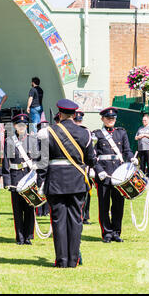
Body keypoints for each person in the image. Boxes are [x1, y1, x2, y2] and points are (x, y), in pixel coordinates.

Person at [36, 99, 96, 268]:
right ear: (75, 115)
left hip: (55, 182)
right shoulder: (85, 133)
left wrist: (40, 181)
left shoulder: (49, 132)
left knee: (58, 221)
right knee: (76, 220)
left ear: (60, 114)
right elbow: (91, 159)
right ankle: (74, 260)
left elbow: (42, 162)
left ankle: (61, 260)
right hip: (77, 181)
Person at [92, 107, 138, 243]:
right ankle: (106, 233)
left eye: (112, 119)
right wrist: (98, 170)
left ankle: (116, 232)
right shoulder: (97, 134)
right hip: (104, 174)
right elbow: (93, 156)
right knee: (104, 205)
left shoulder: (121, 133)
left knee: (118, 205)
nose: (110, 120)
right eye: (108, 118)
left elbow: (127, 150)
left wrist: (132, 159)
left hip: (118, 174)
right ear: (102, 119)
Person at [2, 114, 38, 245]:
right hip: (15, 177)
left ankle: (29, 236)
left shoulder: (32, 140)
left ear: (26, 126)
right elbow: (5, 162)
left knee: (29, 207)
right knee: (17, 210)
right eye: (18, 125)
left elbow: (37, 160)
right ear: (15, 126)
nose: (21, 127)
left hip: (29, 177)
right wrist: (7, 181)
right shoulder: (9, 141)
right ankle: (20, 237)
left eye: (23, 125)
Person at [74, 111, 94, 225]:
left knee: (87, 192)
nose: (78, 123)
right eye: (76, 120)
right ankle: (78, 215)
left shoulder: (86, 132)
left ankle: (85, 215)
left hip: (85, 167)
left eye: (79, 121)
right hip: (75, 167)